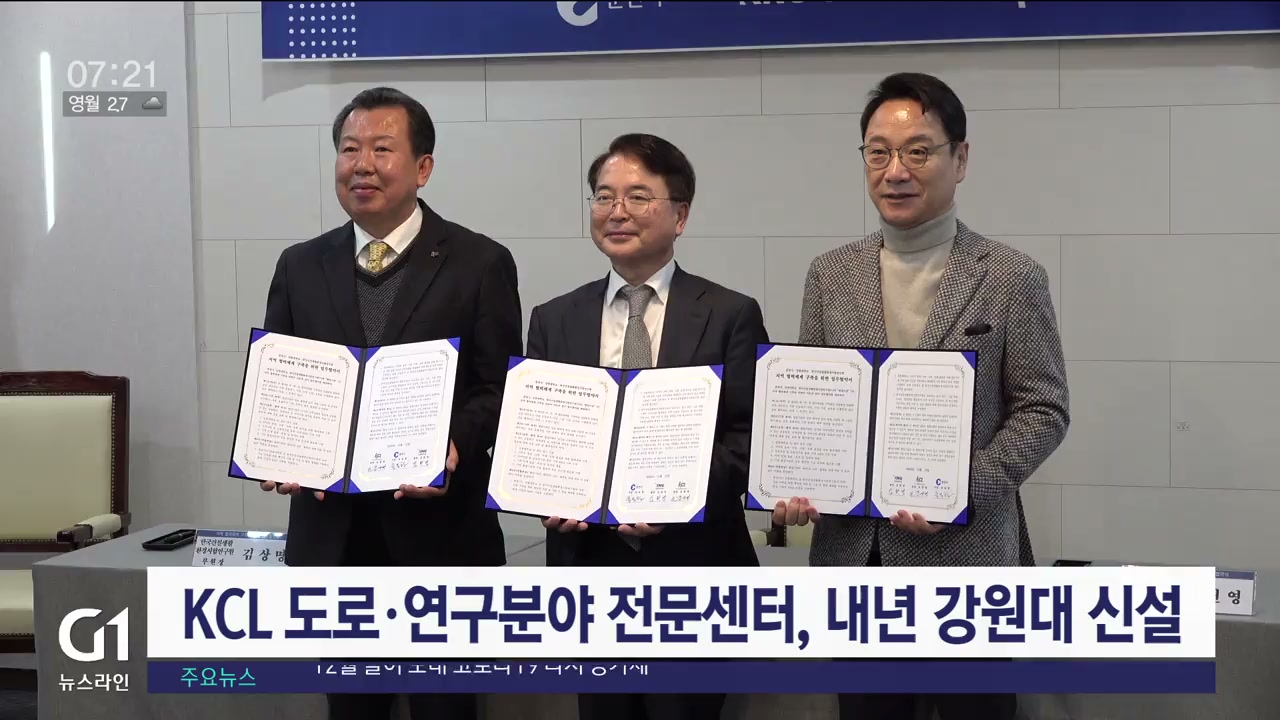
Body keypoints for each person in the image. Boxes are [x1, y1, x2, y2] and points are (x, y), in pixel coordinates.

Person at [772, 72, 1070, 720]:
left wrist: (961, 488)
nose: (896, 171)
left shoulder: (1012, 276)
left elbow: (1044, 409)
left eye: (917, 151)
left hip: (967, 566)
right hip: (857, 565)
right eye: (878, 152)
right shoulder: (830, 274)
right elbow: (817, 408)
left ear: (959, 159)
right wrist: (795, 486)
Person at [256, 86, 523, 720]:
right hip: (333, 538)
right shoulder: (299, 265)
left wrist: (451, 445)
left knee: (445, 710)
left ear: (423, 167)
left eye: (382, 149)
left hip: (440, 535)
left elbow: (497, 386)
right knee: (352, 710)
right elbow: (282, 384)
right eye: (349, 149)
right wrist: (280, 448)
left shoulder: (479, 262)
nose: (362, 166)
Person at [527, 133, 768, 720]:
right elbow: (537, 439)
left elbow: (748, 439)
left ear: (680, 216)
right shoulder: (554, 318)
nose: (617, 211)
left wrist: (673, 497)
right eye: (603, 196)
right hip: (588, 570)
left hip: (693, 570)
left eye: (638, 196)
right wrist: (546, 493)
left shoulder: (730, 314)